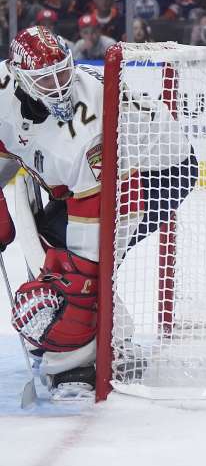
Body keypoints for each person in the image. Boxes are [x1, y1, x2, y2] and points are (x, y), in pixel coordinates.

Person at [0, 27, 195, 400]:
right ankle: (103, 336)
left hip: (160, 170)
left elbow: (90, 254)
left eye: (63, 72)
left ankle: (93, 354)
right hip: (112, 167)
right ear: (19, 76)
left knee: (73, 261)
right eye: (46, 79)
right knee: (50, 247)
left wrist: (68, 296)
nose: (59, 86)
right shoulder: (3, 84)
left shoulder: (83, 135)